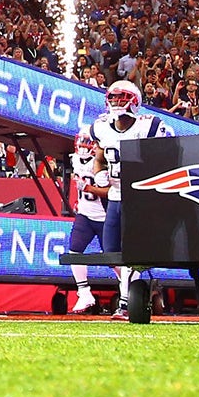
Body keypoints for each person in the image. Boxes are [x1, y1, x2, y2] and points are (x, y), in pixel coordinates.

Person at [86, 80, 173, 321]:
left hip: (140, 197)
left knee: (133, 251)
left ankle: (126, 300)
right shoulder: (101, 127)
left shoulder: (150, 126)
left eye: (122, 97)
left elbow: (165, 157)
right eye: (112, 98)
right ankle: (132, 286)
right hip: (115, 197)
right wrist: (99, 172)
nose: (116, 102)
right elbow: (100, 157)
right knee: (111, 251)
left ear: (135, 101)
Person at [63, 131, 109, 315]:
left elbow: (109, 190)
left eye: (87, 143)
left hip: (105, 216)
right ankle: (84, 293)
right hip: (85, 214)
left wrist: (89, 188)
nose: (83, 147)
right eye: (81, 143)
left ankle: (127, 290)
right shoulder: (74, 159)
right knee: (74, 251)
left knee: (113, 258)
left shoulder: (102, 162)